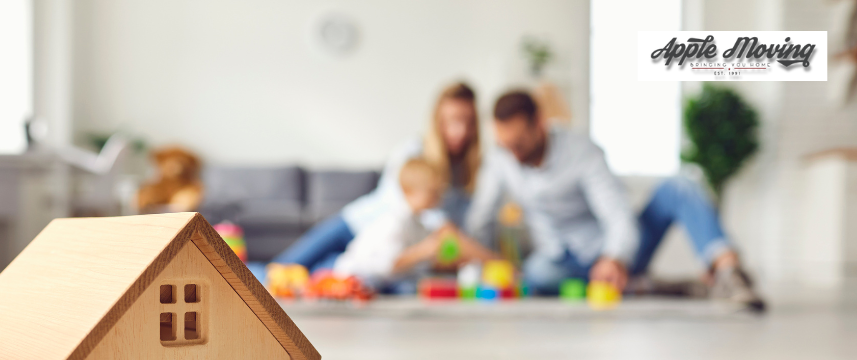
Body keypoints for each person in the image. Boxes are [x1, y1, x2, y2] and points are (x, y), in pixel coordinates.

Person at [466, 90, 765, 311]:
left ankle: (729, 273)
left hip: (614, 251)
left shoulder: (581, 152)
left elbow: (616, 212)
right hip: (560, 261)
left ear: (540, 124)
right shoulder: (501, 160)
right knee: (538, 274)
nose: (513, 154)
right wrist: (476, 265)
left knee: (681, 185)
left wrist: (614, 256)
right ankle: (642, 286)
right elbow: (481, 218)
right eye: (506, 146)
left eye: (519, 144)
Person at [273, 81, 482, 270]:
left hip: (379, 253)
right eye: (453, 121)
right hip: (355, 225)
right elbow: (421, 212)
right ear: (437, 121)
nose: (460, 131)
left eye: (468, 122)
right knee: (281, 270)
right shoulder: (412, 151)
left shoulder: (468, 172)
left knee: (314, 279)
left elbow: (457, 230)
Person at [334, 158, 497, 293]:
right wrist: (424, 251)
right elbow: (389, 264)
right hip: (354, 277)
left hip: (384, 281)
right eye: (432, 192)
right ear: (409, 191)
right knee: (409, 289)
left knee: (421, 284)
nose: (438, 198)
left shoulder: (419, 223)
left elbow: (422, 262)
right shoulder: (394, 222)